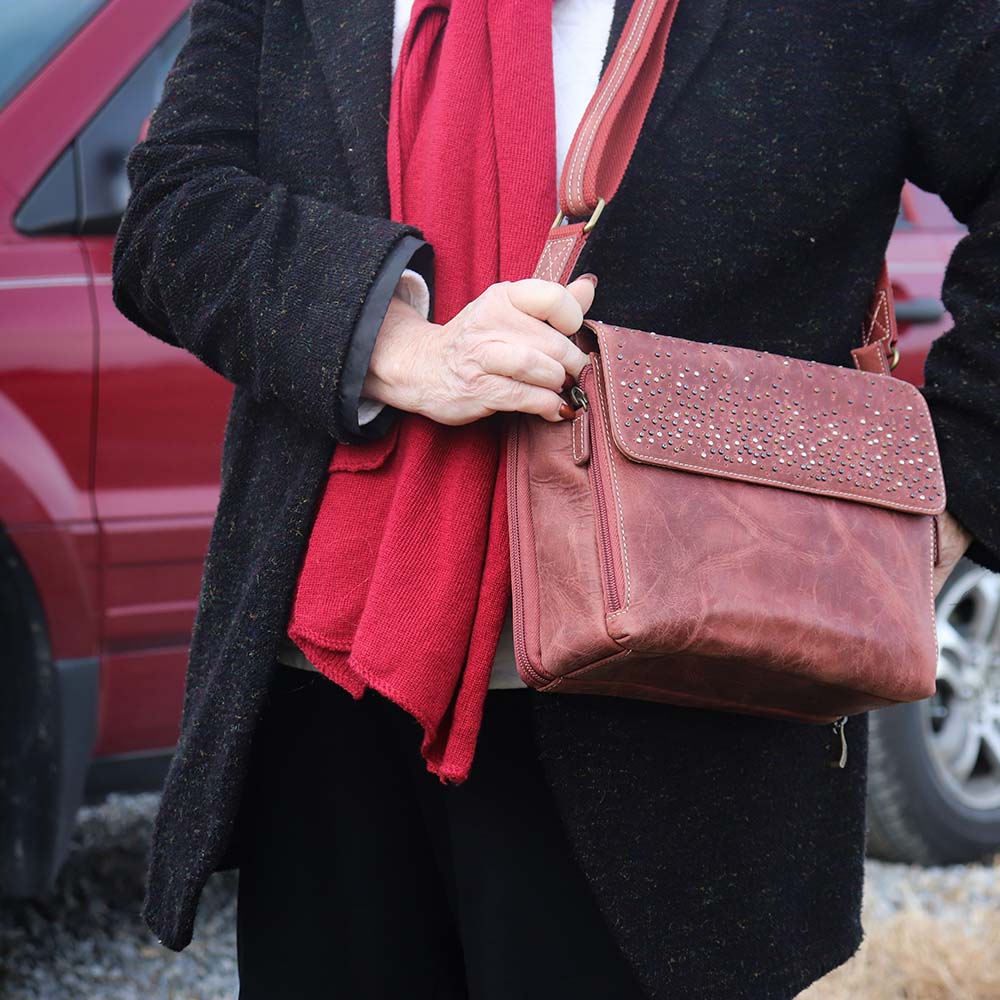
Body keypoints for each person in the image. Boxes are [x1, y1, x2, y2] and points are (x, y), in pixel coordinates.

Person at [110, 0, 999, 996]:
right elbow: (175, 210)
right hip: (324, 694)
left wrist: (960, 478)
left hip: (675, 724)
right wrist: (401, 347)